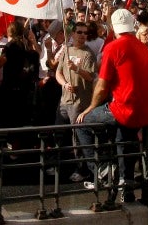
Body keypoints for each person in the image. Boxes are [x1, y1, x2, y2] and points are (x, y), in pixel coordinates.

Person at [75, 8, 148, 191]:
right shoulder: (143, 47)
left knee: (81, 124)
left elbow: (102, 86)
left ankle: (102, 170)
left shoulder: (112, 47)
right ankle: (124, 182)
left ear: (113, 27)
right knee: (123, 137)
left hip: (126, 109)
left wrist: (89, 108)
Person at [53, 21, 96, 182]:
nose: (83, 35)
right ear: (72, 34)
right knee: (59, 133)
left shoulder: (88, 54)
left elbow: (90, 76)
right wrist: (65, 84)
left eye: (85, 33)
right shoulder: (67, 51)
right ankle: (59, 164)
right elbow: (58, 73)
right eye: (80, 32)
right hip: (64, 100)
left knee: (77, 138)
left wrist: (76, 69)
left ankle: (83, 169)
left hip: (80, 102)